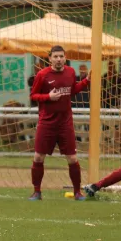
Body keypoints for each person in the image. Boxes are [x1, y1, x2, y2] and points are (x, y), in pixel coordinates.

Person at [28, 45, 90, 201]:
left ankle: (77, 192)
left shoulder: (70, 72)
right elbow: (33, 95)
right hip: (47, 122)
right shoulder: (42, 75)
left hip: (65, 122)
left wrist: (86, 81)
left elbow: (73, 90)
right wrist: (48, 97)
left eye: (61, 56)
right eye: (55, 56)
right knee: (38, 157)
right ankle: (37, 192)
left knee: (73, 159)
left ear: (65, 57)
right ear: (50, 58)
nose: (58, 59)